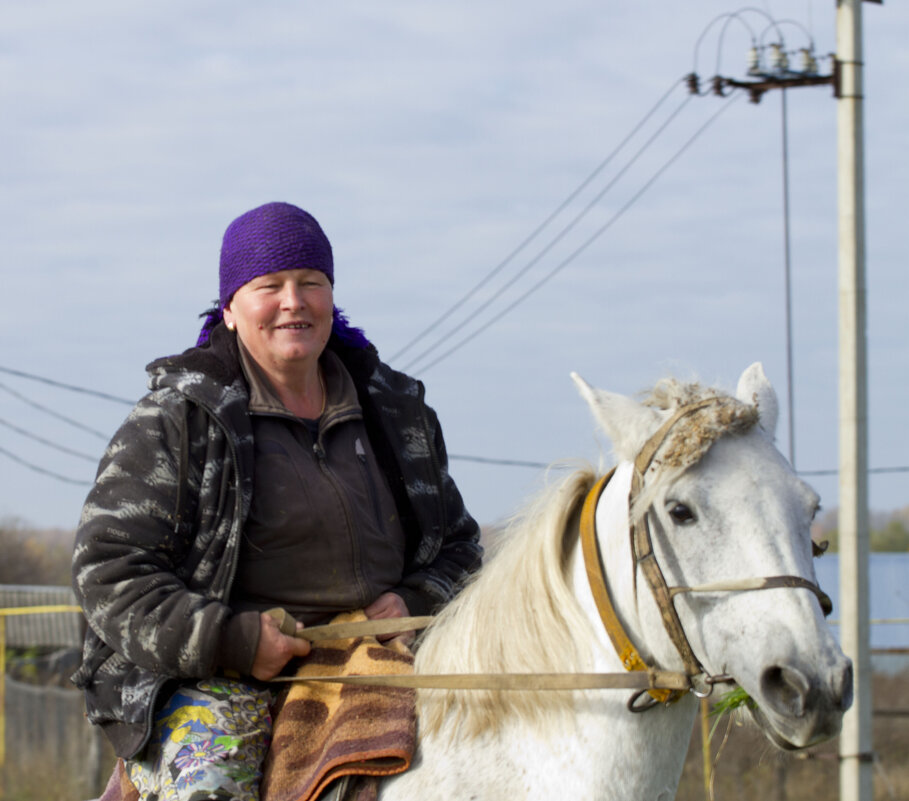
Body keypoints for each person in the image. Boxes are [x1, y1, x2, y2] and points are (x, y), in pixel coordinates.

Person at [72, 202, 482, 800]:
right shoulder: (176, 420)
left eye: (311, 283)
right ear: (231, 310)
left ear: (330, 298)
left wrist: (414, 597)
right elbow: (108, 573)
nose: (294, 301)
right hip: (212, 671)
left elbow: (460, 544)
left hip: (377, 654)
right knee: (213, 786)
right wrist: (233, 639)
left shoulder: (397, 412)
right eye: (270, 286)